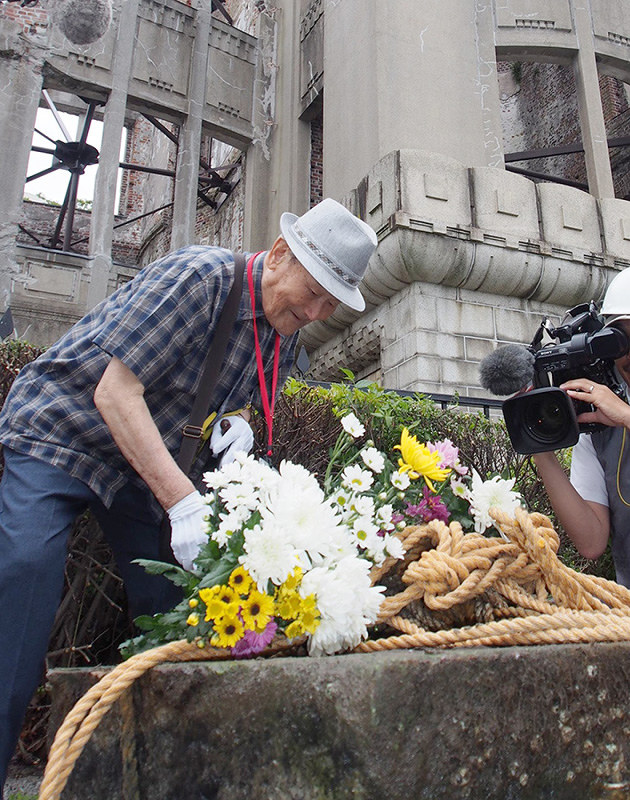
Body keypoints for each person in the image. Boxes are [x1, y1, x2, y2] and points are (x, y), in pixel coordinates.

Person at [0, 197, 378, 793]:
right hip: (63, 431)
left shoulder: (280, 339)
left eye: (330, 304)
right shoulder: (200, 279)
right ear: (279, 254)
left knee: (177, 615)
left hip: (139, 471)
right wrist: (183, 502)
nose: (314, 311)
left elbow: (230, 418)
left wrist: (238, 436)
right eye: (312, 292)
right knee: (23, 577)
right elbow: (115, 395)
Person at [533, 266, 630, 587]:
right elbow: (591, 542)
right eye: (621, 338)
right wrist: (540, 448)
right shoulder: (600, 419)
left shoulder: (615, 411)